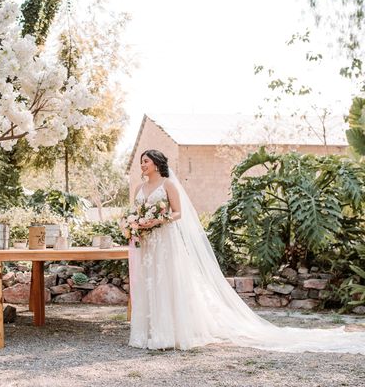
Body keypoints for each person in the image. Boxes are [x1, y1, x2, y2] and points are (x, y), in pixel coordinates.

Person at [128, 149, 365, 354]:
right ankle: (148, 332)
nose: (142, 165)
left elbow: (178, 212)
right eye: (141, 161)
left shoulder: (168, 184)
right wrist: (134, 223)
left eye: (146, 161)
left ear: (157, 164)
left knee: (165, 281)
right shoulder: (140, 187)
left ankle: (169, 334)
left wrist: (159, 220)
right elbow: (135, 212)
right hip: (147, 243)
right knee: (149, 283)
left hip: (165, 240)